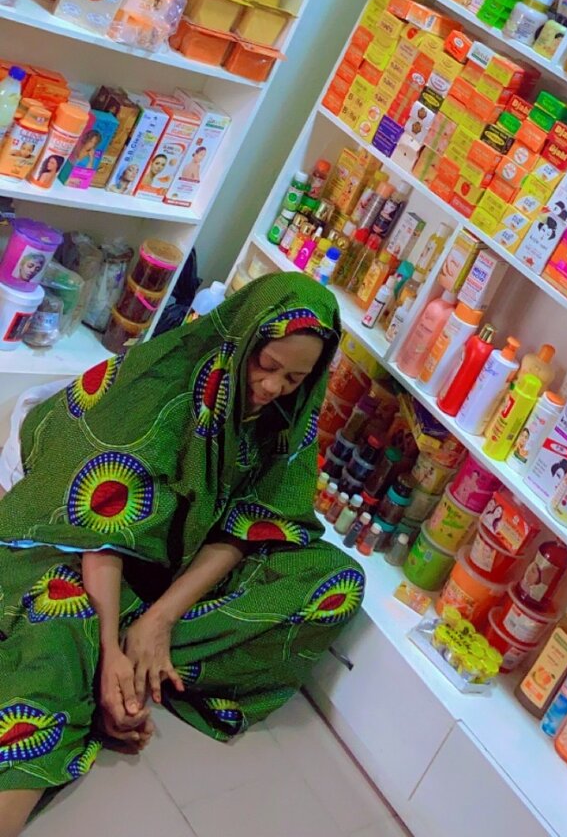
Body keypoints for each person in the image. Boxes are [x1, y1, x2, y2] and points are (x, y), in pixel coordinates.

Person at [0, 273, 364, 834]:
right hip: (87, 551)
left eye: (294, 378)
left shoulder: (286, 417)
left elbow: (249, 526)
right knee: (61, 627)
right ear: (244, 337)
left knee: (334, 582)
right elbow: (100, 527)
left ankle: (129, 660)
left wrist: (161, 618)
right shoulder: (161, 384)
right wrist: (110, 645)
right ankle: (109, 667)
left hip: (173, 573)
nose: (273, 387)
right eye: (266, 365)